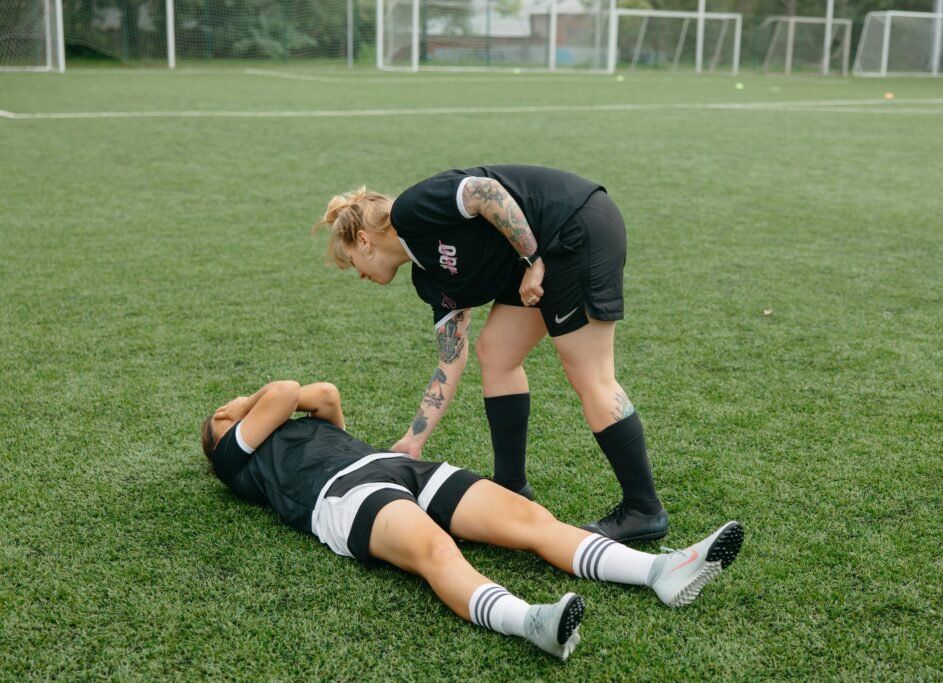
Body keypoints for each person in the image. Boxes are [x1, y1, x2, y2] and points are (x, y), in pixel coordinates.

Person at [200, 380, 745, 661]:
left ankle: (659, 571)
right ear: (222, 431)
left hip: (400, 466)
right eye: (223, 410)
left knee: (532, 520)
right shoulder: (234, 456)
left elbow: (325, 395)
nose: (230, 405)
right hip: (341, 496)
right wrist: (242, 406)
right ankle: (528, 622)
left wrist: (268, 405)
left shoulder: (263, 429)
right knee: (438, 553)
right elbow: (286, 393)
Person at [314, 165, 667, 542]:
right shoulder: (429, 279)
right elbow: (450, 361)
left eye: (352, 262)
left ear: (365, 241)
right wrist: (412, 441)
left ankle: (643, 508)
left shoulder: (410, 211)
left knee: (590, 373)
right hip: (537, 253)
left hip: (573, 224)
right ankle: (511, 487)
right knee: (496, 353)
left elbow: (485, 191)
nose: (359, 275)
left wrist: (532, 261)